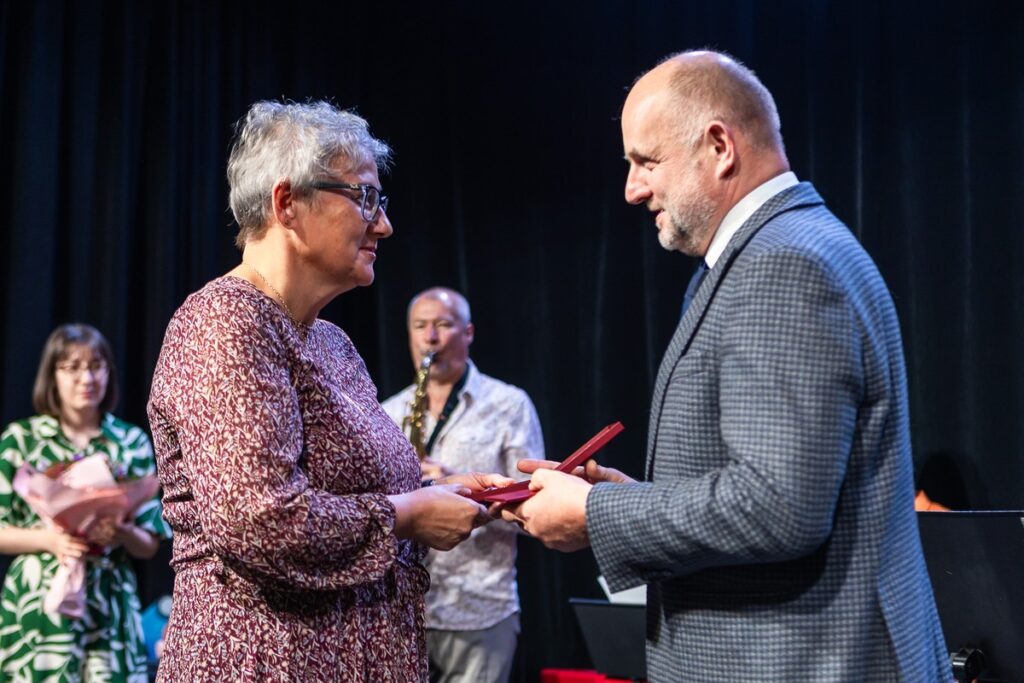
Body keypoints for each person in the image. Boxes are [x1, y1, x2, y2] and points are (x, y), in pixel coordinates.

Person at [502, 51, 952, 682]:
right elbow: (766, 482)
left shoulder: (782, 264)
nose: (632, 188)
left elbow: (777, 509)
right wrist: (631, 502)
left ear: (719, 146)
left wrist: (594, 515)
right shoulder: (771, 252)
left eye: (645, 161)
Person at [147, 100, 509, 682]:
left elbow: (350, 489)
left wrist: (438, 489)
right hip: (264, 662)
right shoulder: (225, 323)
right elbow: (261, 520)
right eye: (364, 197)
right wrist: (409, 514)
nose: (383, 223)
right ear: (287, 203)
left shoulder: (331, 342)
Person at [382, 287, 544, 683]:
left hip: (479, 609)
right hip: (402, 609)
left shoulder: (509, 404)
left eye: (443, 324)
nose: (430, 337)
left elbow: (534, 503)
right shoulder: (387, 411)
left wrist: (454, 486)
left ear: (468, 332)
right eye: (420, 326)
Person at [0, 323, 169, 682]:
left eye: (96, 366)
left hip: (110, 598)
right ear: (52, 375)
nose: (86, 378)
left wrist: (120, 531)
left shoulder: (129, 441)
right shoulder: (22, 441)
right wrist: (48, 540)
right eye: (71, 367)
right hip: (40, 598)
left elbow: (148, 545)